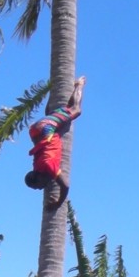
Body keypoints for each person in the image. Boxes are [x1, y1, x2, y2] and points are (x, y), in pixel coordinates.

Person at [24, 76, 85, 209]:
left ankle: (79, 84)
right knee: (59, 116)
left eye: (37, 186)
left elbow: (65, 185)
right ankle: (52, 95)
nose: (40, 189)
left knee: (76, 110)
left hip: (46, 129)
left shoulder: (48, 167)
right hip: (36, 132)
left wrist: (57, 204)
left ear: (38, 177)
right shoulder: (37, 167)